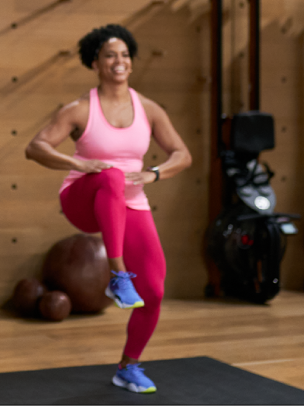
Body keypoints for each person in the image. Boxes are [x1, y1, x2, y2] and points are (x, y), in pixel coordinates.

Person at [24, 23, 192, 394]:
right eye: (110, 55)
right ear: (96, 63)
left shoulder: (147, 108)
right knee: (113, 177)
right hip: (84, 199)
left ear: (131, 63)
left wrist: (154, 173)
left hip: (131, 204)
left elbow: (182, 154)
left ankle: (128, 366)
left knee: (155, 289)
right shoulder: (81, 109)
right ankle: (118, 275)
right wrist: (81, 164)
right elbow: (35, 147)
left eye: (125, 55)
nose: (119, 61)